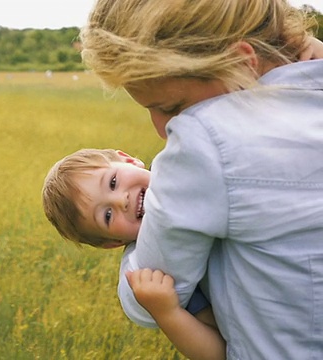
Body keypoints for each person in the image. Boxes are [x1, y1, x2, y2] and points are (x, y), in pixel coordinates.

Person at [78, 0, 323, 358]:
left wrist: (132, 232)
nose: (164, 130)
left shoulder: (207, 141)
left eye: (172, 107)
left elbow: (143, 297)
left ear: (242, 62)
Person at [42, 148, 225, 360]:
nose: (122, 200)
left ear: (128, 160)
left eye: (112, 182)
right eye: (107, 215)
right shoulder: (157, 269)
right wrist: (168, 314)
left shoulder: (178, 164)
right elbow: (219, 353)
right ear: (113, 242)